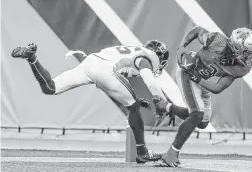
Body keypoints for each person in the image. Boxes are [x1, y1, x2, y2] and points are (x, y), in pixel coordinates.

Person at [11, 40, 169, 163]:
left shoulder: (135, 50)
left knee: (51, 88)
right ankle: (143, 153)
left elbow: (118, 80)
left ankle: (32, 59)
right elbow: (151, 83)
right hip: (104, 67)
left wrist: (135, 99)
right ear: (158, 55)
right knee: (133, 106)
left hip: (91, 61)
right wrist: (161, 103)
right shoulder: (150, 57)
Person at [153, 26, 252, 167]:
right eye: (246, 53)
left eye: (251, 53)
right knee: (197, 114)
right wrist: (181, 47)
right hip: (188, 72)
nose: (249, 57)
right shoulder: (217, 41)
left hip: (200, 79)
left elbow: (218, 87)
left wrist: (198, 79)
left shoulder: (242, 68)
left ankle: (165, 107)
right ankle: (171, 154)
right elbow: (197, 31)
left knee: (202, 122)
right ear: (235, 47)